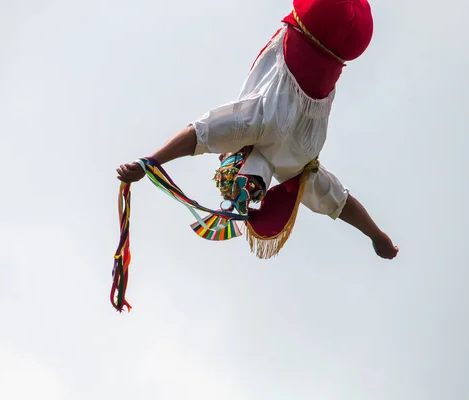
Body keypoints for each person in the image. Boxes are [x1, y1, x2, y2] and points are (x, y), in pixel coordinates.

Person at [116, 0, 398, 260]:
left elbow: (341, 202)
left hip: (351, 40)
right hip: (318, 17)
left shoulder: (298, 170)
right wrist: (149, 163)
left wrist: (377, 236)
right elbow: (198, 135)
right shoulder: (251, 126)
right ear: (238, 158)